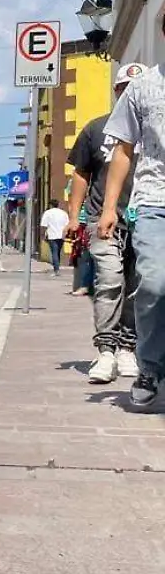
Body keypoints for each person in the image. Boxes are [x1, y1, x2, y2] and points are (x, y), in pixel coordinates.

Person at [68, 64, 144, 383]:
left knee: (139, 286)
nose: (129, 93)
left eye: (135, 87)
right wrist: (74, 215)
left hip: (143, 218)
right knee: (111, 280)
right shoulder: (96, 128)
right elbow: (81, 174)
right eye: (124, 87)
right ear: (115, 91)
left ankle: (128, 347)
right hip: (103, 219)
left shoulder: (155, 128)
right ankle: (106, 351)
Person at [100, 61, 161, 407]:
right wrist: (109, 207)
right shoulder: (142, 88)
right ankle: (149, 366)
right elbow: (123, 150)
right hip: (155, 199)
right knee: (153, 282)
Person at [40, 199, 69, 276]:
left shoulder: (47, 213)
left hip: (52, 235)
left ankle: (56, 270)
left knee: (54, 253)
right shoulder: (63, 213)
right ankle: (57, 268)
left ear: (50, 205)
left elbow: (43, 225)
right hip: (62, 236)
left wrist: (42, 235)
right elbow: (67, 224)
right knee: (58, 252)